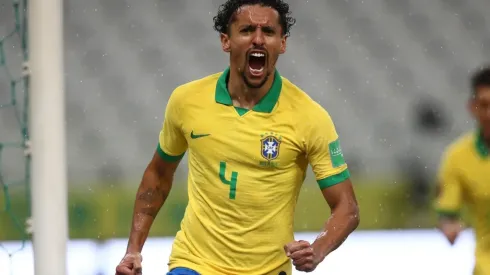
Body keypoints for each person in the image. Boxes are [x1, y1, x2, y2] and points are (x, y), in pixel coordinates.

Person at [115, 1, 360, 274]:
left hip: (267, 269)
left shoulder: (310, 117)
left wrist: (317, 250)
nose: (257, 39)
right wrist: (133, 250)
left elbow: (347, 207)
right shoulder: (186, 101)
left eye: (268, 31)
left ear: (282, 43)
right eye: (246, 30)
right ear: (226, 40)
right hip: (195, 263)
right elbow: (158, 174)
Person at [435, 66, 490, 275]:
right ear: (472, 107)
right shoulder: (458, 157)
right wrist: (450, 227)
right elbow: (448, 213)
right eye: (484, 105)